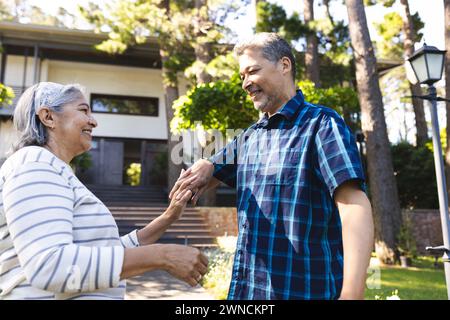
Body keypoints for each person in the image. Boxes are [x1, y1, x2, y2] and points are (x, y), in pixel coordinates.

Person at [170, 33, 374, 300]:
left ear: (284, 65)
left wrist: (351, 294)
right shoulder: (250, 137)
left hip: (305, 292)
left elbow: (354, 207)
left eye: (252, 71)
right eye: (242, 76)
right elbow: (211, 169)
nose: (245, 83)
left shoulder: (322, 124)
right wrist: (205, 164)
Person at [0, 82, 208, 300]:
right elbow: (51, 266)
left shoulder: (53, 170)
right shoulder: (35, 163)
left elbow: (106, 251)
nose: (94, 121)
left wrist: (169, 216)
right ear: (48, 117)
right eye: (83, 110)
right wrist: (162, 255)